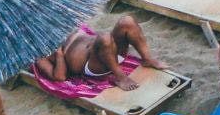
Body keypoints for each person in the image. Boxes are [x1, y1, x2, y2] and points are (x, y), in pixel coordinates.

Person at [30, 16, 163, 88]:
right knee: (104, 39)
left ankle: (146, 59)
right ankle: (120, 77)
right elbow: (59, 77)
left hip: (110, 52)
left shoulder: (60, 25)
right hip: (94, 64)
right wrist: (59, 54)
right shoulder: (38, 51)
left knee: (127, 21)